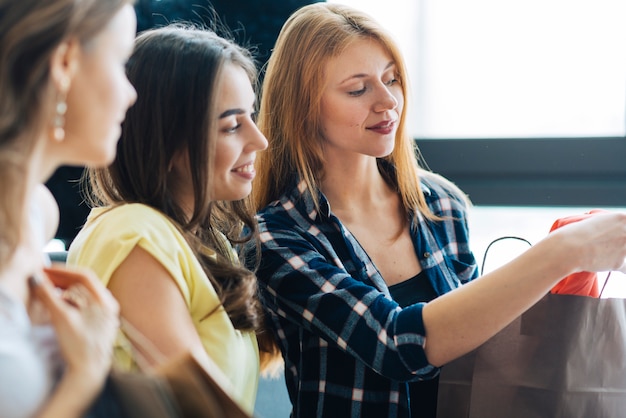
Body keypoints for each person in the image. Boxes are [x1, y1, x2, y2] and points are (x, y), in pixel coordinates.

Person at [248, 3, 626, 417]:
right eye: (359, 89)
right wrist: (562, 251)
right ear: (302, 106)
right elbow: (394, 345)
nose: (388, 101)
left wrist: (564, 279)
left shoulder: (441, 204)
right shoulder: (276, 235)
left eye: (392, 79)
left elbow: (478, 346)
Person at [67, 25, 269, 414]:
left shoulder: (207, 240)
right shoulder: (133, 236)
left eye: (252, 115)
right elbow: (193, 408)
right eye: (231, 125)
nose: (259, 140)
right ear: (170, 143)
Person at [0, 1, 137, 417]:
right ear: (64, 62)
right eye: (121, 62)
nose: (131, 93)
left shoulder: (37, 212)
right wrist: (85, 375)